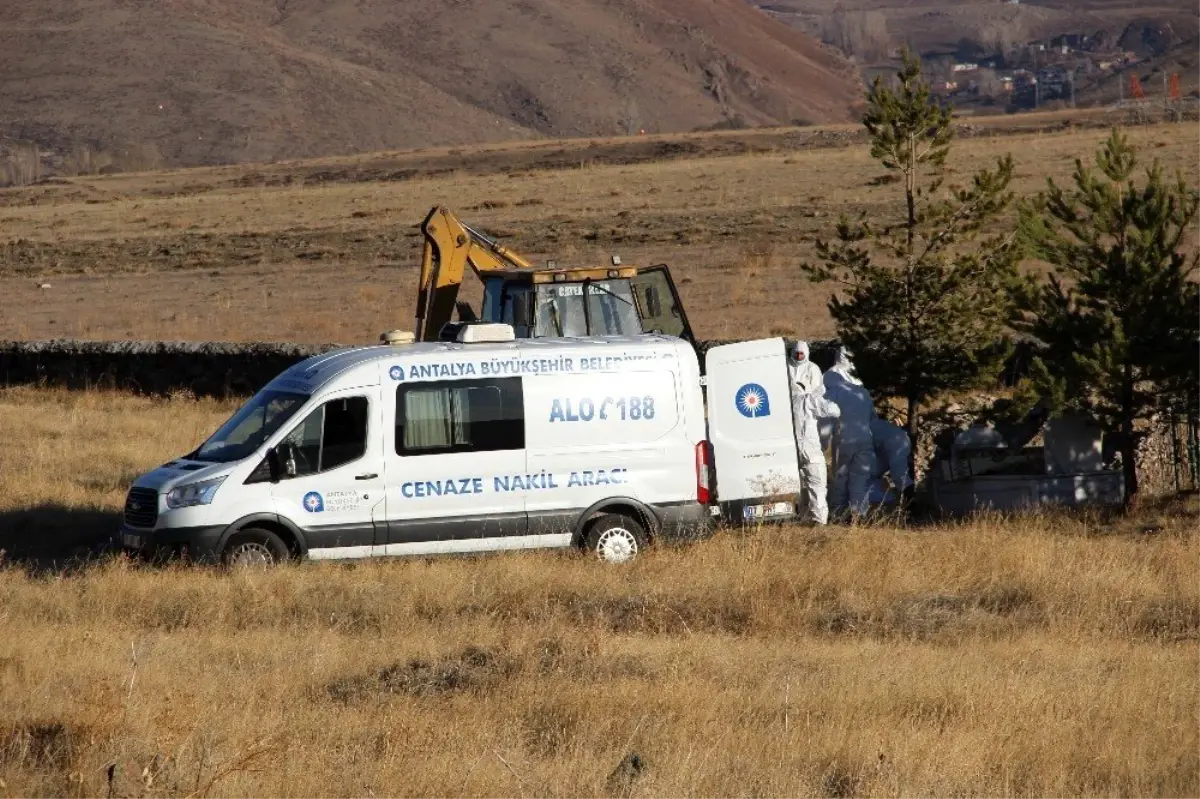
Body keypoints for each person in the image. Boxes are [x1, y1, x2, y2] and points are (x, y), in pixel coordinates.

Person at [788, 340, 839, 525]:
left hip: (795, 448)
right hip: (809, 447)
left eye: (801, 354)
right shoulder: (809, 400)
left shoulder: (789, 403)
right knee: (816, 483)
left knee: (802, 485)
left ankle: (804, 518)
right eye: (797, 354)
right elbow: (833, 410)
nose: (798, 357)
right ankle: (818, 520)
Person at [822, 347, 877, 518]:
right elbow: (872, 418)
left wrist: (824, 442)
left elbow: (827, 417)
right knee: (860, 478)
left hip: (844, 440)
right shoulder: (863, 392)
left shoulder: (833, 390)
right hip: (864, 439)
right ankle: (859, 515)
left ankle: (839, 515)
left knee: (841, 479)